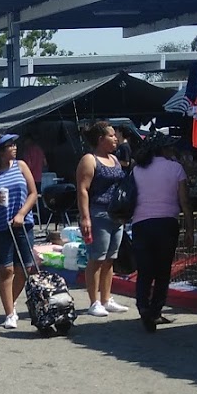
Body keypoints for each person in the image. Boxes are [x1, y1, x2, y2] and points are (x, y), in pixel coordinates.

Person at [128, 136, 191, 332]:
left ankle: (143, 307)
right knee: (163, 271)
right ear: (164, 150)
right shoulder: (176, 168)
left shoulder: (137, 169)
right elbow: (185, 201)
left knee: (145, 270)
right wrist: (190, 229)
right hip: (167, 224)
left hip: (141, 224)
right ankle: (155, 310)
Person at [0, 133, 38, 329]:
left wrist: (21, 214)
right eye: (9, 145)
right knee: (6, 270)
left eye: (14, 144)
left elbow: (33, 193)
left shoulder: (21, 166)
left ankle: (11, 301)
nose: (14, 147)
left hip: (23, 223)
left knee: (26, 267)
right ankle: (10, 313)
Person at [74, 121, 131, 317]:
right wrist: (85, 218)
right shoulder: (89, 160)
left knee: (110, 259)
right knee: (96, 259)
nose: (116, 139)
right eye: (111, 135)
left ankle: (106, 299)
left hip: (116, 214)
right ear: (100, 139)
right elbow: (83, 190)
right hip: (98, 213)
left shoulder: (114, 159)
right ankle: (94, 301)